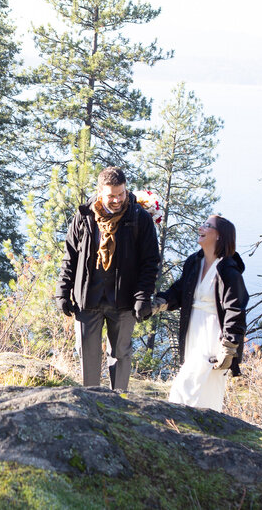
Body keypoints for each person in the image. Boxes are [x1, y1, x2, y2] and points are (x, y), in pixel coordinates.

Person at [55, 167, 160, 391]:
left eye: (121, 194)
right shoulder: (84, 216)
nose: (117, 200)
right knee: (87, 355)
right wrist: (62, 292)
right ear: (100, 192)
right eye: (111, 195)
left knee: (120, 355)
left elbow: (150, 262)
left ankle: (119, 406)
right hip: (88, 298)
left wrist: (142, 297)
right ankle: (90, 407)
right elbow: (70, 257)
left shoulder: (139, 219)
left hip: (123, 301)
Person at [153, 215, 248, 412]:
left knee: (188, 385)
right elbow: (180, 290)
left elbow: (235, 309)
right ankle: (197, 430)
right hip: (193, 331)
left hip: (214, 334)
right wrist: (160, 302)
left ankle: (184, 423)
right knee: (199, 385)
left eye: (207, 226)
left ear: (220, 236)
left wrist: (229, 347)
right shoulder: (195, 262)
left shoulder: (229, 270)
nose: (200, 228)